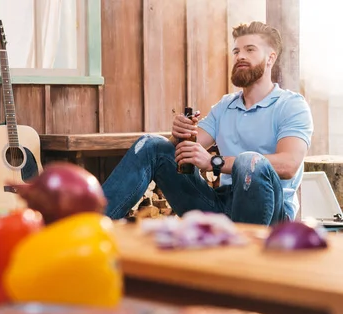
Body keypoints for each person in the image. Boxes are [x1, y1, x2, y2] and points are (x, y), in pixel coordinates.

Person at [101, 21, 313, 226]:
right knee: (151, 146)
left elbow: (289, 164)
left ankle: (243, 257)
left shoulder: (291, 105)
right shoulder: (226, 106)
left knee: (250, 162)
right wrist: (179, 134)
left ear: (270, 58)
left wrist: (214, 162)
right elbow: (185, 149)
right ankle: (86, 229)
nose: (240, 56)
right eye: (237, 51)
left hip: (272, 217)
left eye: (250, 50)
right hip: (221, 206)